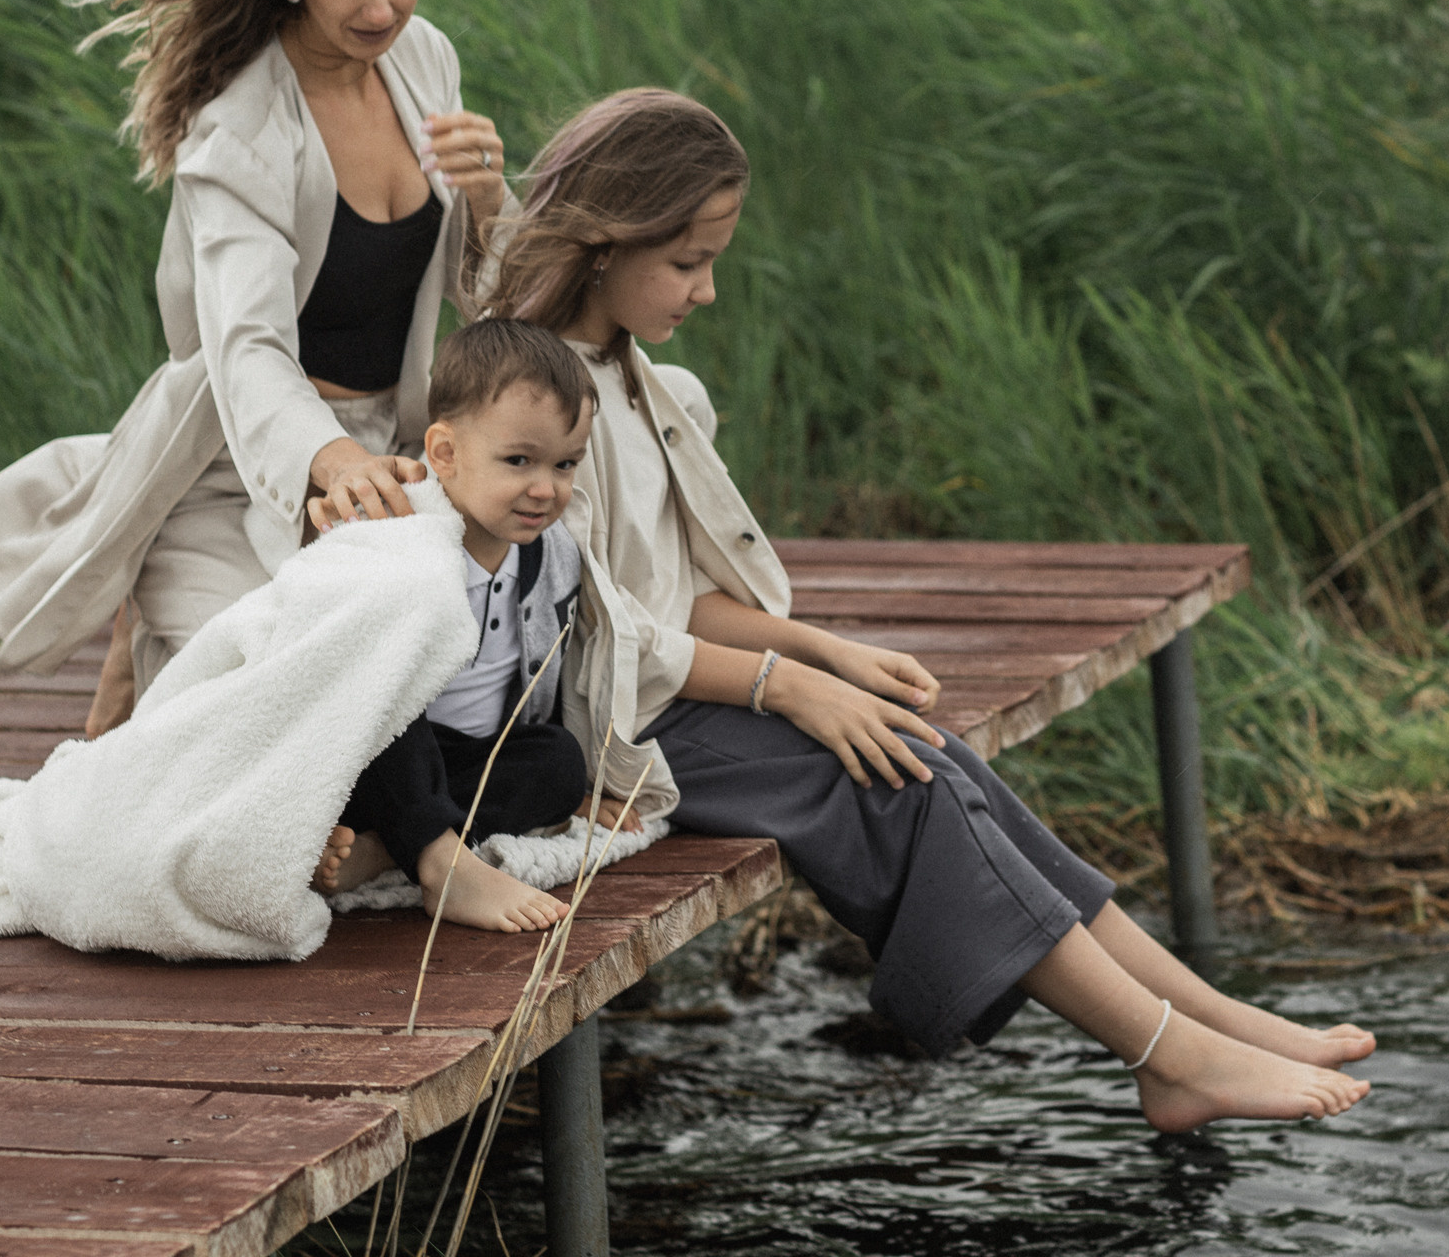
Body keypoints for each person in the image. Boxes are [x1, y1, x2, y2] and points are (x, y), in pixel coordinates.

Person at [487, 89, 1378, 1133]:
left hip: (673, 696)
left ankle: (1209, 1019)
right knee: (890, 783)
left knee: (927, 750)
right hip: (604, 733)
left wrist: (823, 653)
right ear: (606, 242)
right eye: (689, 262)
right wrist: (790, 688)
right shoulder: (539, 402)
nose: (709, 290)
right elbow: (597, 637)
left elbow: (679, 600)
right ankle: (1167, 1057)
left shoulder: (643, 380)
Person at [0, 0, 512, 737]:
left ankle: (141, 653)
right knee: (253, 718)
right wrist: (334, 463)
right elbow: (247, 348)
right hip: (238, 470)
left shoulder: (425, 61)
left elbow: (482, 298)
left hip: (400, 449)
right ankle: (153, 594)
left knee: (442, 696)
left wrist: (492, 198)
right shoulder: (240, 128)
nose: (380, 8)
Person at [310, 318, 598, 933]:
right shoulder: (392, 539)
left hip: (465, 764)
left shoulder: (555, 555)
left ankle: (383, 849)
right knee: (392, 701)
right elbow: (339, 680)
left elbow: (553, 678)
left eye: (565, 464)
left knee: (558, 764)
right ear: (445, 454)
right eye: (518, 461)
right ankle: (441, 862)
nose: (545, 488)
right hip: (376, 751)